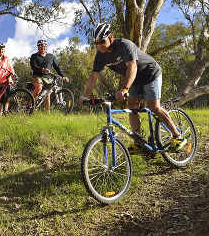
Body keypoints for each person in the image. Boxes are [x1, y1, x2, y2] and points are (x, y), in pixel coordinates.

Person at [80, 23, 187, 152]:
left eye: (102, 41)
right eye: (96, 43)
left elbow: (132, 67)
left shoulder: (125, 45)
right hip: (135, 79)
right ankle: (139, 141)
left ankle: (177, 136)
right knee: (132, 106)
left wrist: (125, 89)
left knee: (154, 106)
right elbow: (93, 77)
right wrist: (85, 96)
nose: (99, 45)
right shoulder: (100, 55)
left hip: (150, 73)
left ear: (111, 37)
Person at [29, 39, 68, 110]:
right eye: (40, 45)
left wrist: (63, 76)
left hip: (48, 77)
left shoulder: (51, 56)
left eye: (44, 45)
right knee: (39, 87)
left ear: (46, 46)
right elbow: (33, 66)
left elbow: (57, 67)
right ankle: (29, 105)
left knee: (47, 95)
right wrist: (42, 69)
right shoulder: (34, 56)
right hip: (37, 76)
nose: (42, 47)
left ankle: (48, 113)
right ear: (37, 47)